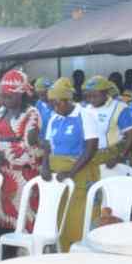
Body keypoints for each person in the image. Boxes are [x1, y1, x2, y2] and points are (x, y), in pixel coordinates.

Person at [0, 70, 43, 249]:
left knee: (24, 218)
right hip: (1, 174)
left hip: (23, 177)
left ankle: (25, 259)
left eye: (9, 95)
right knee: (1, 219)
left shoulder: (32, 114)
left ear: (21, 94)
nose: (5, 99)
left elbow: (29, 147)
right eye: (3, 95)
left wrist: (2, 154)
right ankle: (3, 258)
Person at [41, 78, 98, 250]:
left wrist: (71, 173)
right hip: (58, 177)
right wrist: (45, 166)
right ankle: (63, 252)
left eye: (56, 103)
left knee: (77, 219)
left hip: (79, 173)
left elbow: (91, 148)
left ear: (67, 100)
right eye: (51, 104)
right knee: (60, 217)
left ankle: (80, 254)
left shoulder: (84, 115)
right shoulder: (54, 118)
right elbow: (47, 146)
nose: (53, 107)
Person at [83, 75, 132, 169]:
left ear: (106, 92)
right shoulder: (86, 109)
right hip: (91, 158)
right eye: (89, 96)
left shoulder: (119, 107)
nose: (92, 99)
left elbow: (131, 135)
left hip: (111, 158)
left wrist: (120, 157)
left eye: (95, 96)